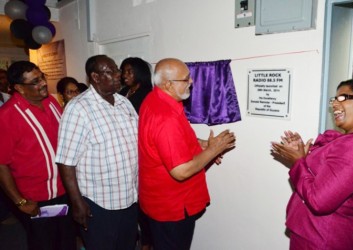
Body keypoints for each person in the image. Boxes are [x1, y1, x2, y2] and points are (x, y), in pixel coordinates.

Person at [138, 58, 236, 250]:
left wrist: (203, 145)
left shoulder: (156, 99)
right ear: (168, 84)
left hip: (159, 201)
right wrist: (213, 149)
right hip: (171, 206)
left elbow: (173, 142)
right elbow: (180, 171)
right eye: (186, 79)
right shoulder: (165, 116)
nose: (191, 82)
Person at [271, 79, 353, 250]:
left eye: (343, 98)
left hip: (323, 239)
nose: (335, 104)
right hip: (316, 234)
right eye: (334, 99)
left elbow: (318, 201)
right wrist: (303, 156)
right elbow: (325, 180)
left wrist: (297, 162)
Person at [56, 55, 139, 250]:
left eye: (117, 69)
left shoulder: (123, 102)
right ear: (95, 76)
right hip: (98, 204)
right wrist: (77, 203)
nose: (119, 75)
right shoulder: (78, 108)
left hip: (129, 197)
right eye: (111, 71)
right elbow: (66, 161)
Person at [0, 61, 76, 250]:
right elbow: (1, 165)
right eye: (35, 81)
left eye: (42, 77)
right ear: (19, 88)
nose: (43, 83)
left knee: (66, 242)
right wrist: (20, 202)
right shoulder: (7, 115)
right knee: (45, 244)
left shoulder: (50, 102)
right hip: (36, 200)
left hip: (65, 191)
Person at [119, 57, 153, 250]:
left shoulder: (148, 94)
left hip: (142, 153)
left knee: (144, 201)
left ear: (140, 72)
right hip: (125, 152)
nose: (125, 75)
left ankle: (147, 242)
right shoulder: (123, 92)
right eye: (123, 71)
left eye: (129, 71)